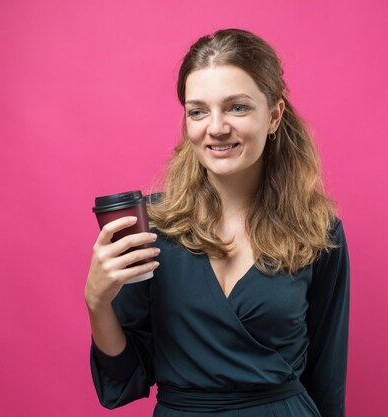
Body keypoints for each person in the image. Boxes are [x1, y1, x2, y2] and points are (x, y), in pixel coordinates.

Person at [84, 28, 350, 417]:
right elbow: (126, 374)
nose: (216, 127)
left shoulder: (319, 230)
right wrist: (97, 301)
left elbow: (327, 377)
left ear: (273, 115)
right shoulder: (152, 227)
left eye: (237, 107)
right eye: (198, 111)